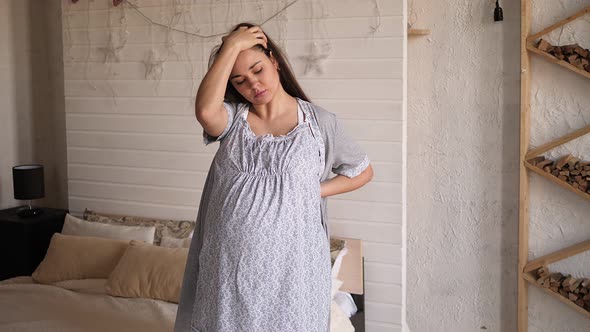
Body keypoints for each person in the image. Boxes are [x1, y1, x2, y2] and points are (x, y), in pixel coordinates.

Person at [174, 22, 373, 332]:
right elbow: (204, 111)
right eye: (239, 80)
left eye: (258, 70)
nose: (253, 84)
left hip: (291, 274)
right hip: (228, 272)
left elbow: (362, 171)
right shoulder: (232, 121)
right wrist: (230, 47)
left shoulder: (319, 124)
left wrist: (314, 191)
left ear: (275, 62)